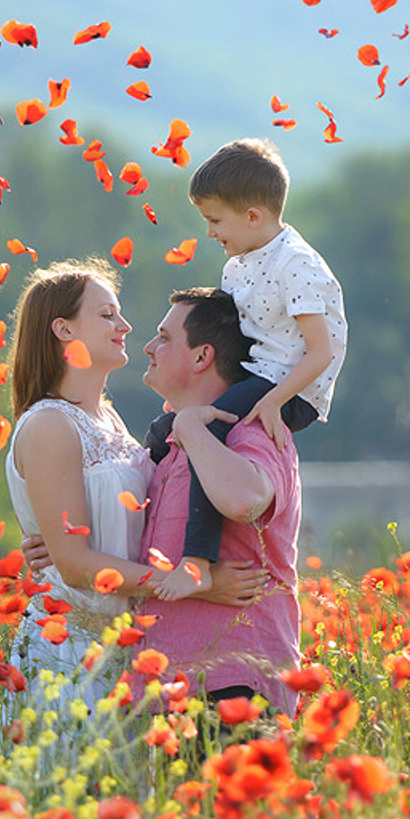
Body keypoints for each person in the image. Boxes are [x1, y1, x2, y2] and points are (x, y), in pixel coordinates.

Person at [4, 260, 263, 716]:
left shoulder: (108, 419)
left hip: (129, 651)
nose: (124, 326)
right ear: (63, 330)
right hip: (69, 651)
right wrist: (192, 585)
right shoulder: (49, 425)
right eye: (107, 315)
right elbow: (75, 565)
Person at [148, 137, 346, 603]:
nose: (209, 232)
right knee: (164, 431)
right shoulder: (238, 265)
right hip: (258, 375)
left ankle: (197, 562)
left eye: (215, 221)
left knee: (204, 431)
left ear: (253, 216)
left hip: (290, 388)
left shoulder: (296, 264)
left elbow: (320, 353)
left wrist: (274, 401)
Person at [139, 286, 302, 716]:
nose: (149, 347)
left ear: (201, 356)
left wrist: (192, 427)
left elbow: (244, 500)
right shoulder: (165, 448)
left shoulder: (255, 430)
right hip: (168, 691)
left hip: (234, 687)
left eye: (164, 337)